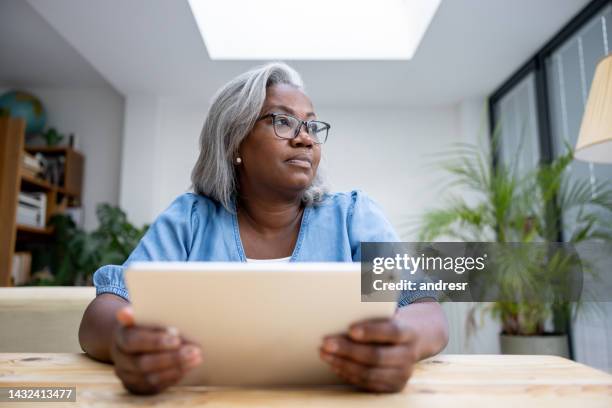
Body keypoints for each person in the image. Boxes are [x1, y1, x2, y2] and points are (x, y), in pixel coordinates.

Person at [78, 62, 448, 395]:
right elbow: (102, 313)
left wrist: (405, 341)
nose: (305, 137)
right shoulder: (189, 219)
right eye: (282, 121)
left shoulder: (352, 215)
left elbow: (422, 307)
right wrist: (126, 341)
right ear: (235, 140)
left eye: (312, 125)